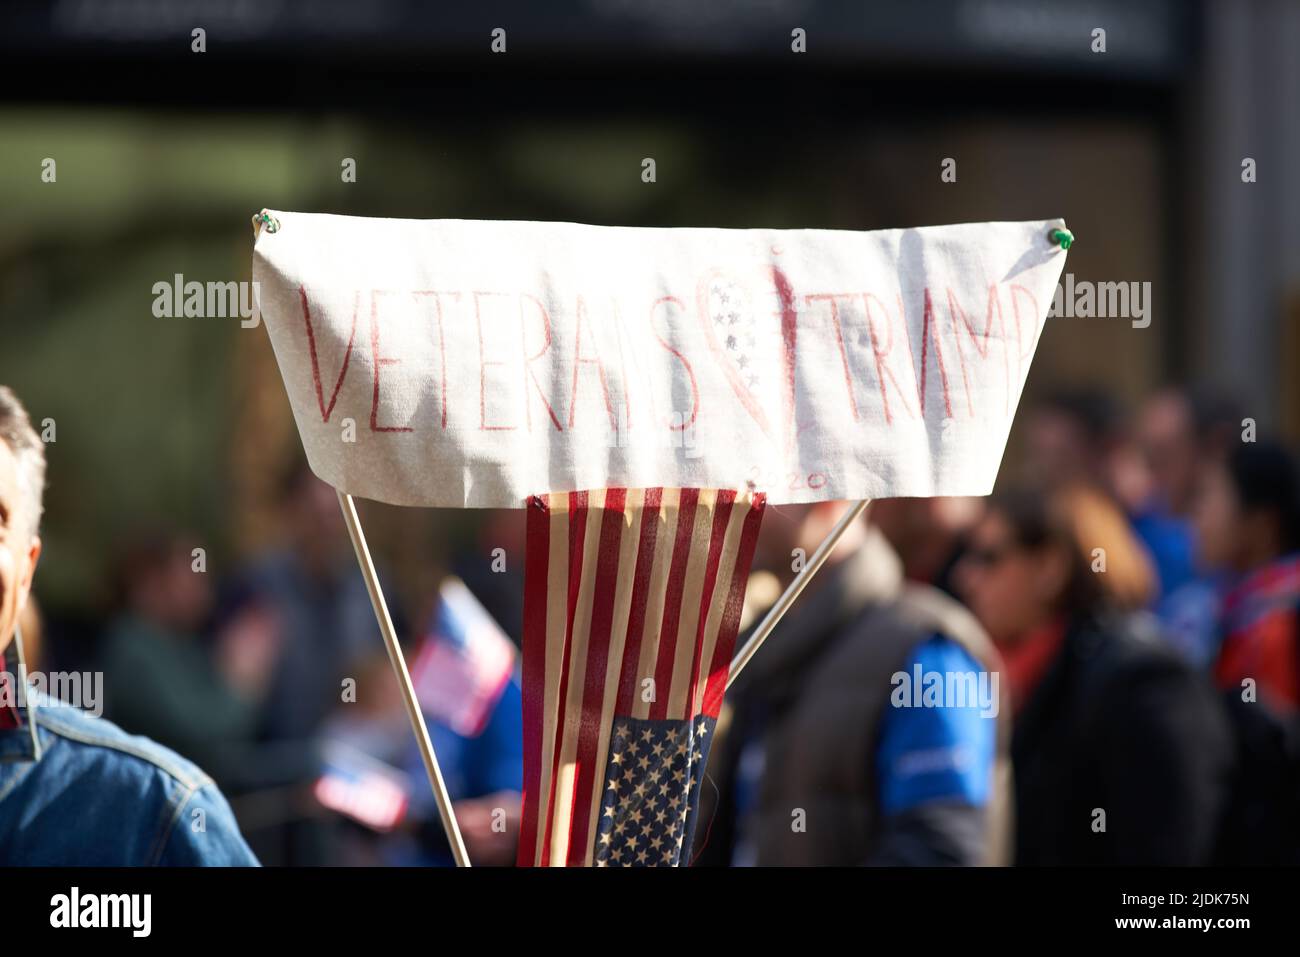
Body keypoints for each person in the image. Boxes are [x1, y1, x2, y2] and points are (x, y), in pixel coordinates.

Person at [0, 385, 258, 865]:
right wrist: (242, 681)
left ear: (27, 568)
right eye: (186, 568)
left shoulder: (153, 814)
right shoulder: (134, 645)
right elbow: (204, 726)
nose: (202, 582)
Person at [695, 502, 1010, 866]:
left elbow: (941, 848)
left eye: (755, 484)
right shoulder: (763, 656)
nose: (730, 503)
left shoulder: (923, 648)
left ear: (831, 497)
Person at [955, 482, 1233, 865]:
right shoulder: (1007, 677)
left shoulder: (1143, 682)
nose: (965, 577)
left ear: (1049, 568)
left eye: (989, 557)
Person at [1195, 439, 1300, 864]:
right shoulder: (1234, 612)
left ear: (1260, 522)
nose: (1195, 519)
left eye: (1209, 499)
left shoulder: (1277, 628)